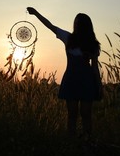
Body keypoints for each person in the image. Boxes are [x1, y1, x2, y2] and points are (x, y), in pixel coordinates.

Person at [26, 7, 102, 138]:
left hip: (87, 81)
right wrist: (36, 13)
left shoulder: (93, 44)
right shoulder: (68, 38)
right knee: (72, 114)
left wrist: (99, 86)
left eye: (79, 24)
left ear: (85, 26)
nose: (76, 26)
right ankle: (71, 143)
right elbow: (50, 26)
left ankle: (88, 142)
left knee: (86, 114)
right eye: (75, 23)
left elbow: (95, 67)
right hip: (71, 80)